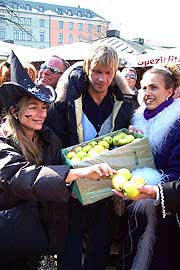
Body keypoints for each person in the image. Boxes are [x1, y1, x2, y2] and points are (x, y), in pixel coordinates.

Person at [0, 52, 116, 270]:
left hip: (40, 236)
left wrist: (86, 188)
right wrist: (75, 173)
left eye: (44, 107)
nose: (40, 114)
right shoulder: (3, 142)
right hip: (10, 235)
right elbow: (19, 176)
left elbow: (57, 186)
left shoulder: (49, 139)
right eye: (33, 107)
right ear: (15, 112)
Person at [45, 44, 139, 270]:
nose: (102, 79)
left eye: (108, 73)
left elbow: (126, 141)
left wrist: (134, 132)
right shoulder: (67, 101)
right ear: (87, 69)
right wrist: (69, 178)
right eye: (97, 71)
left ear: (115, 71)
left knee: (100, 247)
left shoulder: (124, 104)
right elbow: (54, 142)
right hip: (74, 190)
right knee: (70, 249)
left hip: (107, 190)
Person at [113, 64, 180, 270]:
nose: (146, 94)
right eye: (143, 88)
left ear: (170, 92)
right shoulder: (136, 117)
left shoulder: (177, 122)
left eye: (153, 88)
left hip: (167, 212)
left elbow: (177, 173)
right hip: (134, 205)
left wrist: (151, 188)